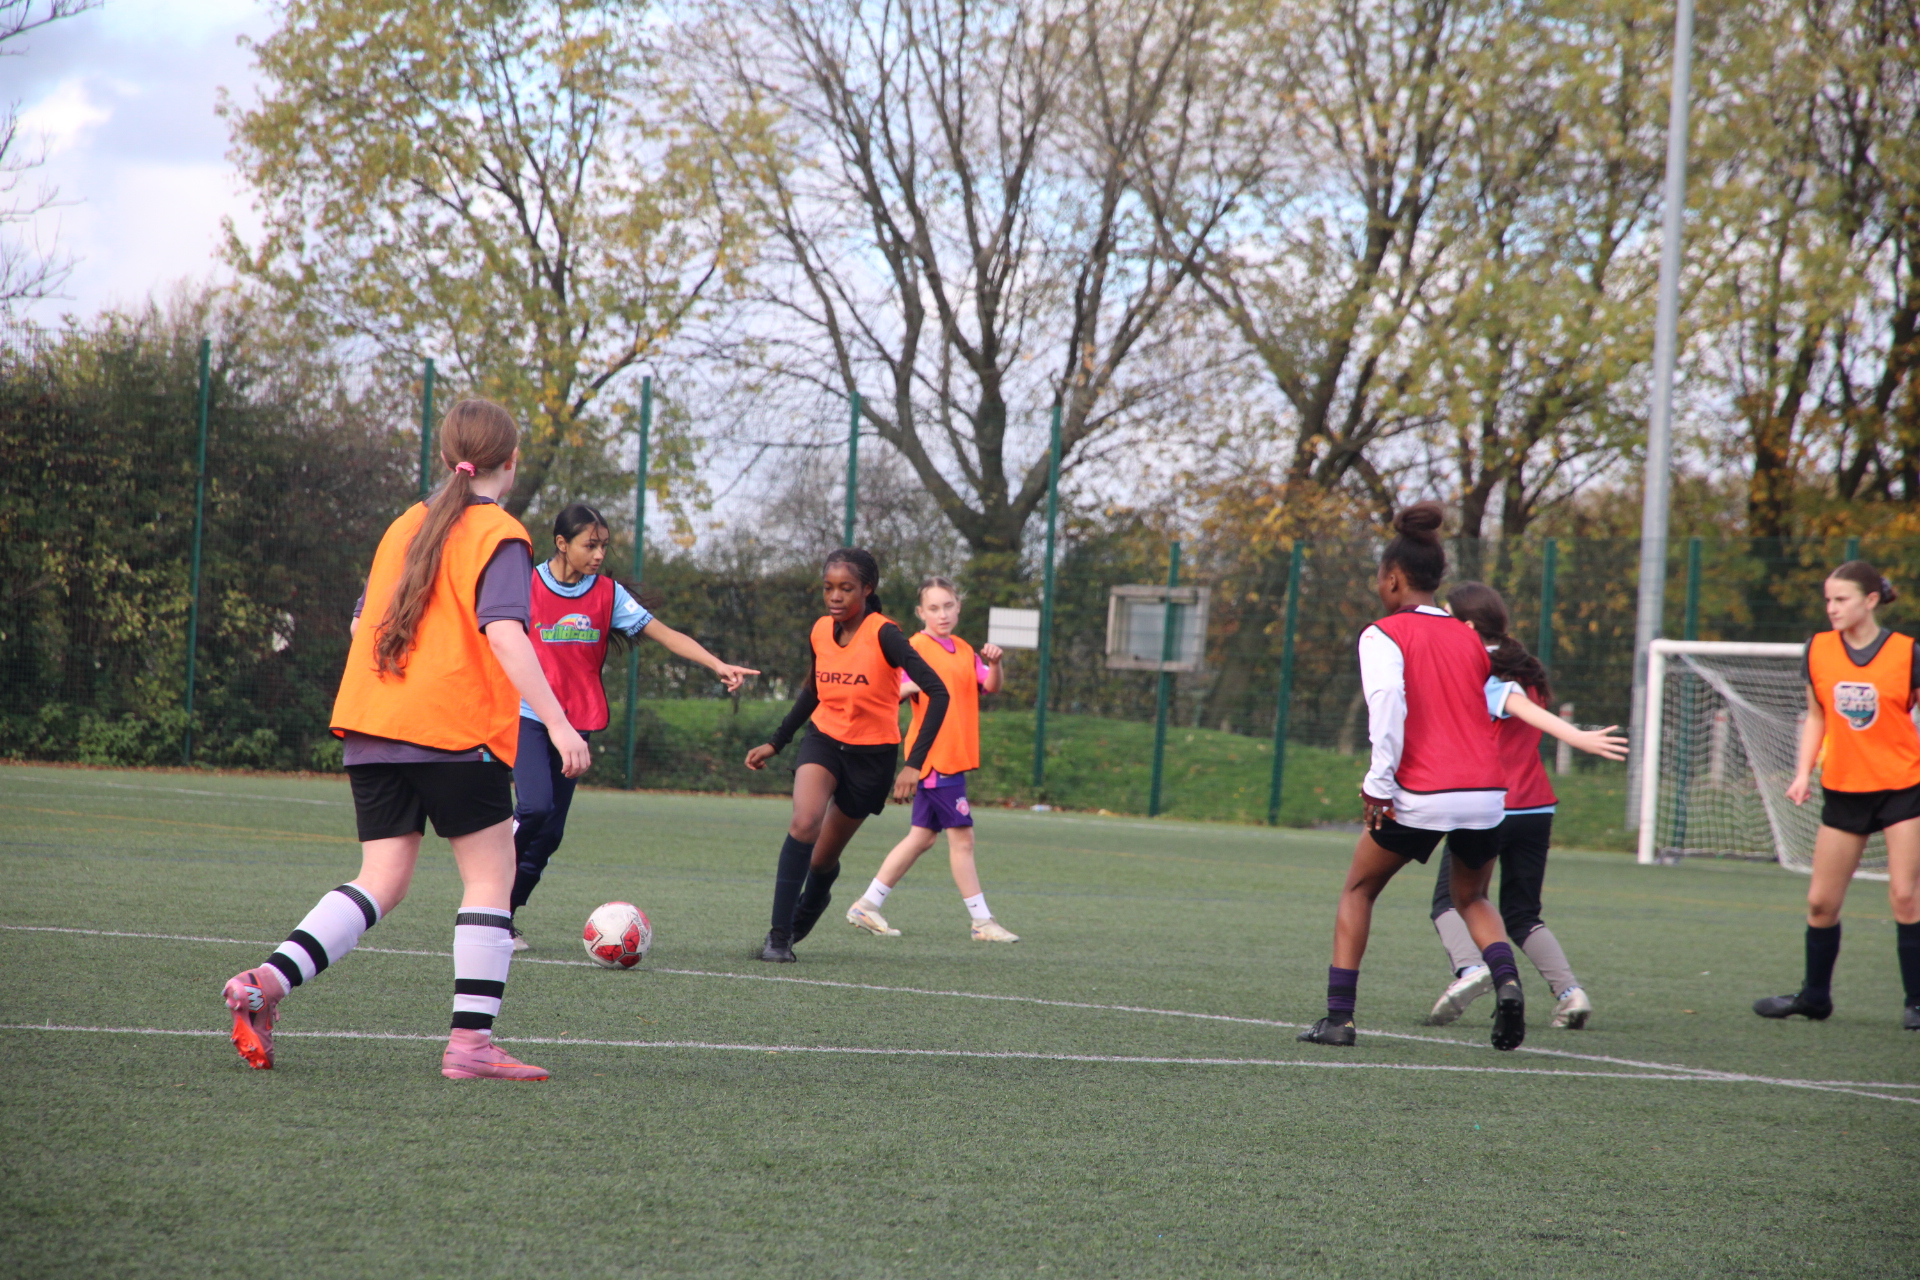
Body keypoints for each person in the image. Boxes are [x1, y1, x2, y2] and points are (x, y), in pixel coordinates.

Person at [221, 399, 588, 1081]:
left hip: (371, 722)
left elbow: (364, 618)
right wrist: (560, 723)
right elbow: (505, 634)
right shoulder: (500, 532)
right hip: (452, 730)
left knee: (380, 880)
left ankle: (263, 985)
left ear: (450, 459)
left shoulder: (403, 526)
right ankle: (471, 1048)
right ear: (511, 464)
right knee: (490, 877)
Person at [1297, 503, 1528, 1051]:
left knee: (1359, 888)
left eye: (1380, 576)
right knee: (1471, 897)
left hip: (1421, 792)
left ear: (1393, 578)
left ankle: (1339, 1019)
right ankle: (1509, 984)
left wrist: (1379, 783)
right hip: (1487, 794)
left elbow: (1388, 706)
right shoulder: (1468, 637)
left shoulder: (1383, 634)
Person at [509, 501, 759, 949]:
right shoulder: (522, 585)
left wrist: (715, 664)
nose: (600, 554)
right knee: (534, 809)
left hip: (577, 722)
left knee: (550, 834)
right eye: (590, 545)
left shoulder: (607, 594)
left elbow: (666, 634)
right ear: (561, 544)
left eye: (604, 545)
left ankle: (503, 914)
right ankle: (485, 894)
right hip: (527, 716)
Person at [1420, 582, 1628, 1031]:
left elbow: (1514, 706)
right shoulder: (1527, 669)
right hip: (1537, 809)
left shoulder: (1491, 673)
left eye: (1447, 615)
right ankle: (1570, 994)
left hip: (1493, 808)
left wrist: (1576, 736)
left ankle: (1471, 969)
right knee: (1522, 914)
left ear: (1468, 625)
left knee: (1450, 902)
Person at [743, 548, 950, 962]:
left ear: (866, 589)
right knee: (804, 824)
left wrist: (913, 765)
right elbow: (813, 691)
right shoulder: (820, 630)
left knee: (821, 860)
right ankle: (778, 938)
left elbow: (939, 692)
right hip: (824, 739)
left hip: (872, 756)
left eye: (846, 588)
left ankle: (813, 902)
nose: (835, 596)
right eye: (828, 588)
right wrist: (777, 741)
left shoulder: (885, 634)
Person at [1754, 560, 1920, 1030]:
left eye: (1841, 599)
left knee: (1906, 897)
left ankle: (1916, 1002)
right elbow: (1816, 716)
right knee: (1821, 903)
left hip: (1903, 788)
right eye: (1827, 599)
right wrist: (1803, 772)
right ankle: (1815, 998)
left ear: (1870, 600)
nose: (1832, 608)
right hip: (1845, 791)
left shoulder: (1907, 653)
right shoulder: (1818, 651)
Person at [844, 576, 1017, 942]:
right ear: (921, 612)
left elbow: (991, 686)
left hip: (954, 756)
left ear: (958, 607)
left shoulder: (964, 649)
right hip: (935, 759)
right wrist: (915, 685)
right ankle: (982, 922)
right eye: (934, 608)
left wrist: (996, 663)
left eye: (949, 606)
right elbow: (891, 692)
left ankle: (867, 905)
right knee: (963, 839)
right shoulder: (914, 648)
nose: (943, 614)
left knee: (921, 838)